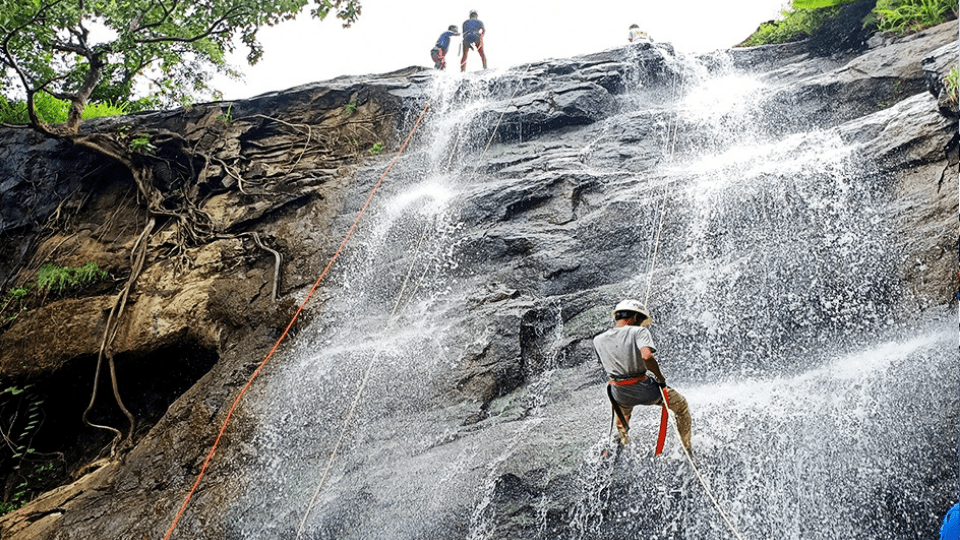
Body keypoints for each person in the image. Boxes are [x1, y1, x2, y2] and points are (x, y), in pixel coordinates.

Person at [593, 299, 692, 452]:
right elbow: (646, 357)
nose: (640, 324)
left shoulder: (598, 340)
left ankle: (622, 441)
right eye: (640, 320)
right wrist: (660, 377)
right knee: (681, 406)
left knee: (623, 415)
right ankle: (686, 448)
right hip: (644, 388)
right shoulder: (639, 331)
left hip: (619, 392)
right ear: (633, 318)